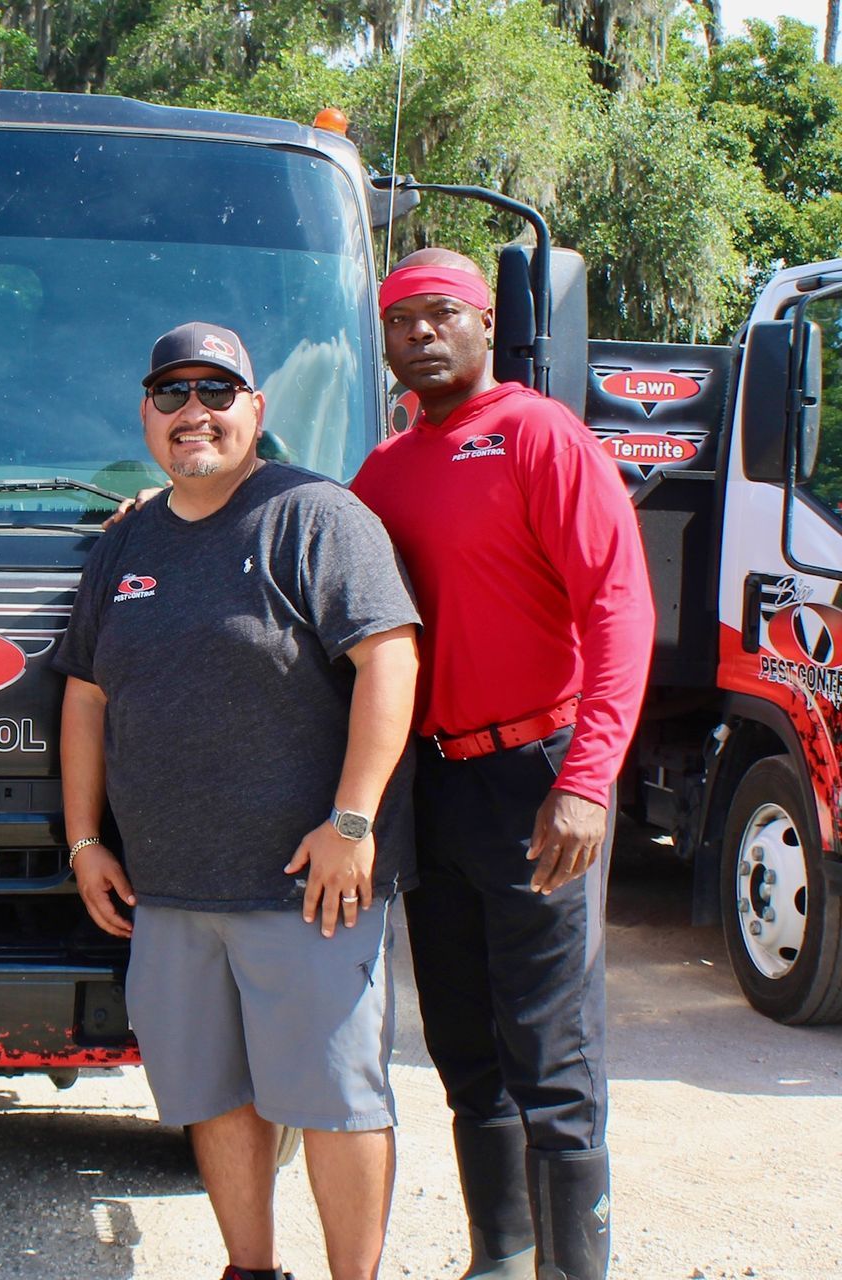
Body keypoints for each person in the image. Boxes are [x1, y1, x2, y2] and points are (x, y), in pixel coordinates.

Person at [57, 322, 421, 1280]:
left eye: (217, 392)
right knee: (212, 1096)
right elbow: (86, 697)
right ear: (146, 415)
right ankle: (249, 1269)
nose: (194, 413)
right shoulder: (124, 543)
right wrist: (85, 839)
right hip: (170, 890)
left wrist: (353, 822)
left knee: (335, 1101)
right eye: (172, 394)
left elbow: (390, 658)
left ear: (256, 411)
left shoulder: (315, 517)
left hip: (305, 888)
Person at [349, 249, 655, 1280]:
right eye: (404, 321)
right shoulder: (385, 471)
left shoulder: (539, 436)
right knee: (466, 1048)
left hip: (539, 776)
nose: (423, 334)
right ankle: (502, 1256)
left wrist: (587, 779)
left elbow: (619, 608)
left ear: (486, 328)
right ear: (386, 345)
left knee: (552, 1059)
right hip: (432, 789)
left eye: (444, 315)